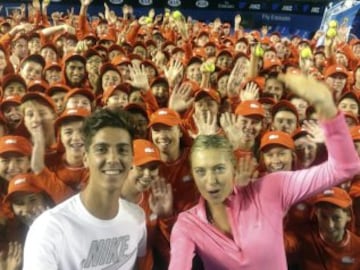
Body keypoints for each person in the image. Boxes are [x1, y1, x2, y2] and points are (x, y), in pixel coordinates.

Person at [169, 72, 360, 269]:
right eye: (201, 171)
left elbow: (345, 167)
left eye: (218, 168)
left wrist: (327, 107)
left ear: (232, 167)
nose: (210, 181)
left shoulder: (271, 188)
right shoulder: (187, 224)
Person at [23, 108, 147, 270]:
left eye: (122, 150)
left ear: (132, 159)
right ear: (86, 158)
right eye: (101, 149)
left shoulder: (137, 217)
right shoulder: (49, 228)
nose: (113, 159)